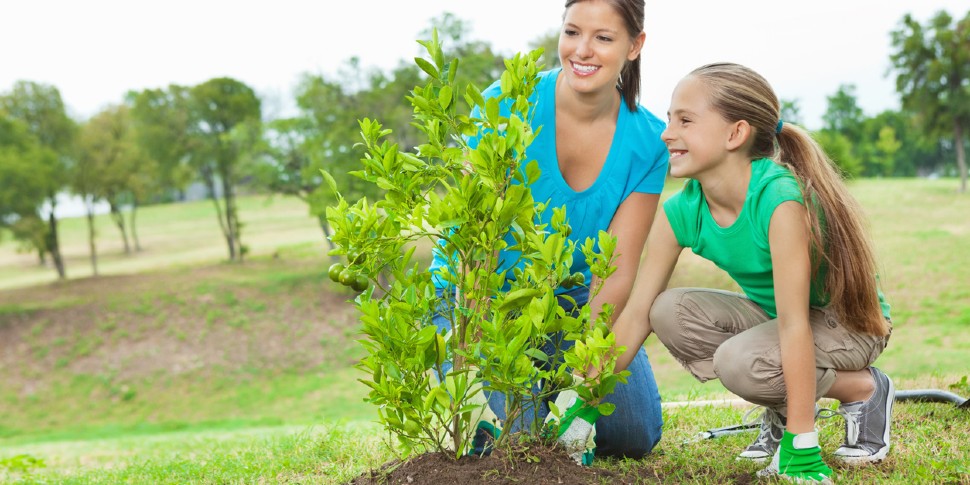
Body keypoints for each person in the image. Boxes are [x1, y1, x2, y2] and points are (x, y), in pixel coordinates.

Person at [608, 62, 894, 482]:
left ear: (735, 134)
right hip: (783, 321)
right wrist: (583, 398)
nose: (667, 133)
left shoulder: (779, 199)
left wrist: (802, 443)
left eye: (685, 120)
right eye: (669, 119)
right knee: (667, 310)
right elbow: (636, 314)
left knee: (739, 363)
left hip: (850, 325)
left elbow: (795, 325)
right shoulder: (681, 212)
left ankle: (863, 390)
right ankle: (784, 400)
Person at [427, 0, 669, 462]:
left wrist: (583, 379)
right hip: (482, 295)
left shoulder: (647, 143)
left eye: (603, 37)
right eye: (572, 32)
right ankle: (523, 397)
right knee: (514, 444)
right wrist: (474, 356)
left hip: (572, 301)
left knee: (633, 433)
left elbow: (616, 271)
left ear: (634, 45)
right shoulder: (507, 103)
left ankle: (551, 383)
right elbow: (475, 241)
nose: (582, 50)